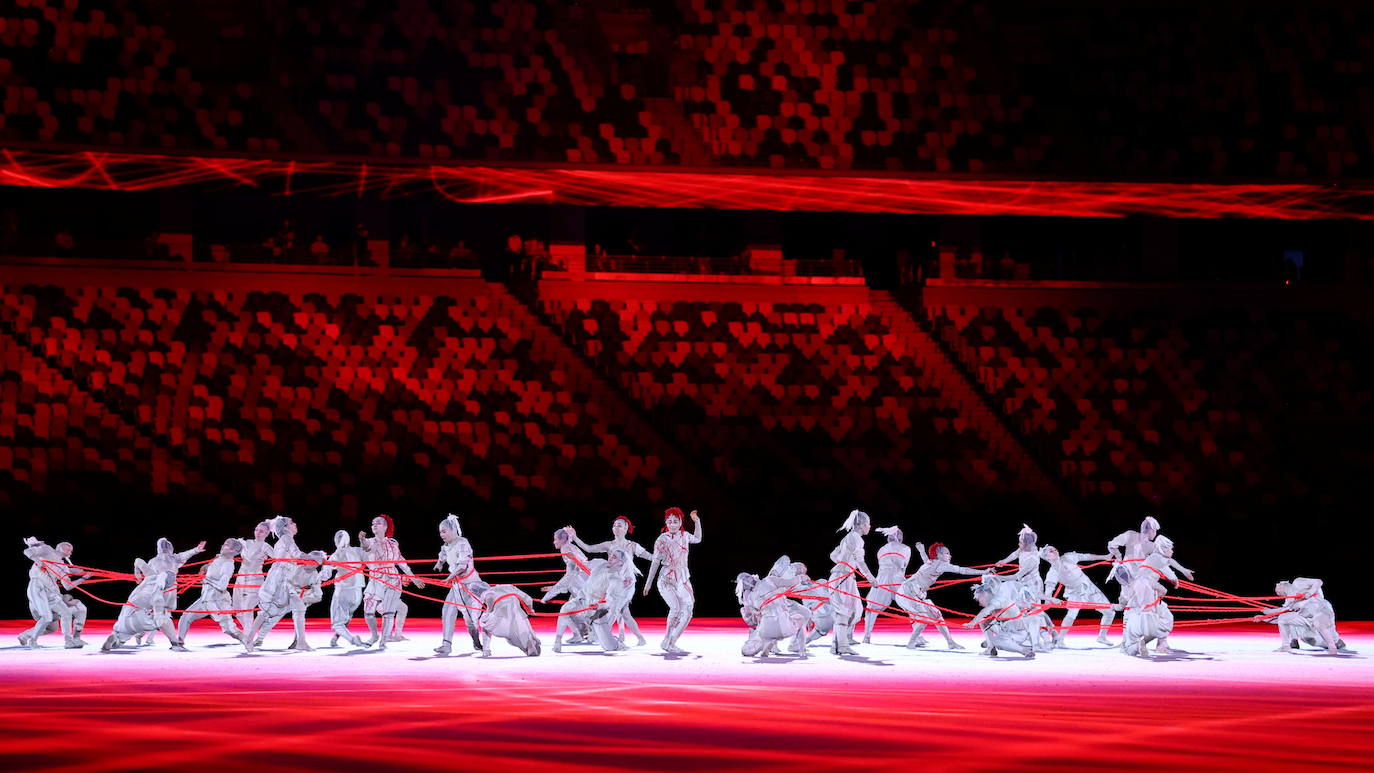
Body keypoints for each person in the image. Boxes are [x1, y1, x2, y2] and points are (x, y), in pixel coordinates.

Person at [566, 515, 654, 646]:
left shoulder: (632, 545)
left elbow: (650, 556)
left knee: (615, 610)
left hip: (625, 583)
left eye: (619, 525)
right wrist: (575, 537)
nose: (616, 527)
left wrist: (664, 557)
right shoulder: (609, 545)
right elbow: (589, 548)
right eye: (614, 525)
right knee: (624, 612)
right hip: (611, 582)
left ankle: (600, 635)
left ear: (626, 528)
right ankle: (639, 638)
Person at [896, 542, 987, 649]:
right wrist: (984, 571)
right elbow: (962, 570)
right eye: (947, 553)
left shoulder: (932, 563)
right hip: (908, 592)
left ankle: (950, 642)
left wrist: (922, 551)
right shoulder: (941, 564)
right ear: (939, 555)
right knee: (924, 619)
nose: (950, 555)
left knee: (937, 615)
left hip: (913, 592)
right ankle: (911, 643)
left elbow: (926, 561)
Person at [359, 514, 426, 650]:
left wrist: (414, 578)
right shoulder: (371, 541)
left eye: (377, 523)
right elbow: (366, 546)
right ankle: (374, 635)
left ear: (385, 526)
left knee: (389, 612)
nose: (374, 526)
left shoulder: (393, 544)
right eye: (373, 524)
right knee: (368, 610)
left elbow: (402, 563)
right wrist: (362, 539)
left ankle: (384, 641)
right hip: (376, 578)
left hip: (392, 579)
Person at [643, 507, 703, 654]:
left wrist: (697, 522)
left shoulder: (685, 536)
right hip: (666, 579)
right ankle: (667, 640)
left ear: (681, 522)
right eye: (669, 521)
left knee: (688, 611)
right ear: (665, 522)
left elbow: (698, 538)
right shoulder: (662, 539)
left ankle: (671, 641)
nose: (672, 524)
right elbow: (655, 562)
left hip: (682, 578)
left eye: (675, 521)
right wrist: (648, 583)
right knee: (676, 608)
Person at [102, 556, 189, 652]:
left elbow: (138, 560)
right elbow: (161, 619)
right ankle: (175, 643)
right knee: (164, 619)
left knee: (122, 630)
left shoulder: (150, 575)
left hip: (127, 609)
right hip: (138, 617)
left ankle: (115, 637)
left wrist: (137, 575)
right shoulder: (158, 596)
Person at [245, 515, 303, 652]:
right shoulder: (287, 538)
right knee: (268, 610)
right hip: (280, 578)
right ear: (286, 527)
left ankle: (297, 641)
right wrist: (315, 557)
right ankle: (250, 639)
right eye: (292, 522)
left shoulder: (286, 539)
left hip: (286, 577)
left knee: (282, 609)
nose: (294, 524)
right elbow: (297, 554)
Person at [825, 509, 879, 655]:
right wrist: (871, 579)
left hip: (844, 577)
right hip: (842, 579)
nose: (870, 526)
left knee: (854, 610)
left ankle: (837, 644)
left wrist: (843, 563)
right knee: (845, 612)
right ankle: (841, 646)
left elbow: (833, 555)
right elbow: (861, 562)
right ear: (861, 525)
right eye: (868, 524)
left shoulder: (848, 537)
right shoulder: (857, 538)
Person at [251, 550, 328, 651]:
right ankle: (259, 638)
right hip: (284, 595)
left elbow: (318, 596)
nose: (309, 563)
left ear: (318, 564)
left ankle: (299, 642)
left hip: (299, 598)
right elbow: (284, 579)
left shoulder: (315, 576)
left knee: (299, 616)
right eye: (309, 559)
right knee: (274, 616)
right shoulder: (296, 567)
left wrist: (303, 599)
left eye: (314, 562)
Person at [1040, 545, 1116, 646]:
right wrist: (1049, 599)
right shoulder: (1052, 573)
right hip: (1075, 592)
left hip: (1089, 587)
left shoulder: (1068, 557)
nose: (1055, 551)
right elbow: (1049, 591)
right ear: (1047, 557)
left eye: (1054, 549)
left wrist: (1105, 557)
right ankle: (1060, 640)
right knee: (1071, 615)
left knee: (1109, 612)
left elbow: (1087, 557)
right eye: (1050, 551)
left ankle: (1102, 637)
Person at [176, 538, 247, 646]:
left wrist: (206, 579)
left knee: (230, 630)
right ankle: (180, 641)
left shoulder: (228, 565)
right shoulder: (218, 558)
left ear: (233, 551)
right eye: (224, 543)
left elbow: (222, 586)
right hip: (205, 598)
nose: (223, 546)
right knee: (186, 616)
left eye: (227, 545)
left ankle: (246, 640)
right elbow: (211, 569)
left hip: (217, 601)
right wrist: (204, 569)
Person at [1258, 578, 1347, 655]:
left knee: (1319, 623)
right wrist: (1264, 616)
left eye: (1277, 589)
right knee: (1283, 619)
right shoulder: (1289, 600)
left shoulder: (1298, 582)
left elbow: (1318, 581)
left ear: (1281, 584)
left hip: (1321, 610)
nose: (1277, 592)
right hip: (1306, 617)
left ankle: (1332, 647)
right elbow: (1281, 612)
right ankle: (1286, 646)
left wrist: (1310, 592)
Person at [434, 514, 481, 655]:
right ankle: (446, 644)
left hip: (471, 585)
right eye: (440, 532)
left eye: (444, 531)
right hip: (456, 586)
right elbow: (442, 555)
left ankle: (477, 641)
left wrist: (449, 577)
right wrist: (439, 564)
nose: (441, 534)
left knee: (470, 619)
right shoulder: (446, 546)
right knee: (447, 612)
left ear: (453, 530)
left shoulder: (463, 543)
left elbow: (462, 566)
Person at [19, 537, 78, 649]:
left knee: (66, 613)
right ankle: (32, 641)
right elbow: (27, 551)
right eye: (68, 548)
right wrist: (39, 562)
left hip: (51, 592)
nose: (70, 551)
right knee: (46, 617)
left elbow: (67, 585)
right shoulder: (47, 549)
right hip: (38, 586)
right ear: (60, 547)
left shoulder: (63, 566)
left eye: (71, 549)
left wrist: (84, 578)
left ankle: (68, 641)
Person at [540, 528, 592, 653]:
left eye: (555, 539)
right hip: (583, 583)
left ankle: (583, 634)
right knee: (569, 612)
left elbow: (570, 576)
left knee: (567, 612)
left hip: (582, 586)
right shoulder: (571, 547)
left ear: (562, 540)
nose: (554, 542)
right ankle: (579, 634)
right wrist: (553, 589)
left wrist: (547, 596)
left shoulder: (566, 549)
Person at [963, 575, 1036, 658]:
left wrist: (972, 623)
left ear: (984, 594)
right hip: (1006, 628)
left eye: (979, 599)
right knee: (984, 622)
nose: (979, 603)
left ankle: (1024, 650)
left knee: (997, 641)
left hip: (1017, 632)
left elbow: (985, 611)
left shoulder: (998, 599)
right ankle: (990, 649)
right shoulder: (994, 598)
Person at [862, 525, 911, 643]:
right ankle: (918, 636)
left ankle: (867, 637)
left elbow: (881, 565)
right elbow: (903, 566)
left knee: (872, 607)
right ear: (900, 537)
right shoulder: (905, 548)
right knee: (910, 604)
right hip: (896, 577)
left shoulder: (881, 549)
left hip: (882, 579)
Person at [1113, 563, 1172, 658]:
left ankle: (1135, 646)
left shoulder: (1125, 589)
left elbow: (1122, 605)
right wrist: (1157, 597)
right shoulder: (1146, 580)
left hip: (1134, 619)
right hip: (1151, 617)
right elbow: (1164, 590)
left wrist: (1113, 607)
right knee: (1162, 627)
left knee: (1129, 649)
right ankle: (1150, 643)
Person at [323, 530, 367, 648]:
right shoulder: (358, 551)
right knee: (346, 618)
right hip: (358, 593)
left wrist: (316, 576)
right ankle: (335, 638)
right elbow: (370, 558)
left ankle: (352, 639)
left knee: (337, 623)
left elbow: (326, 574)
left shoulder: (336, 554)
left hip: (343, 591)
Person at [478, 583, 541, 657]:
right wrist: (530, 610)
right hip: (519, 616)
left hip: (501, 620)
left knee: (484, 622)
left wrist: (488, 610)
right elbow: (528, 599)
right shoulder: (510, 587)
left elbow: (490, 604)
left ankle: (486, 650)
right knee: (523, 633)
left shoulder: (487, 593)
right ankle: (529, 644)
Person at [234, 521, 272, 631]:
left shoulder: (266, 546)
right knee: (237, 610)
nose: (258, 533)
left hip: (255, 580)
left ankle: (248, 636)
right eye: (256, 530)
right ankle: (249, 631)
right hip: (241, 579)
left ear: (267, 533)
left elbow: (278, 559)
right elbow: (231, 551)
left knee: (247, 607)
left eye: (261, 531)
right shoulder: (246, 543)